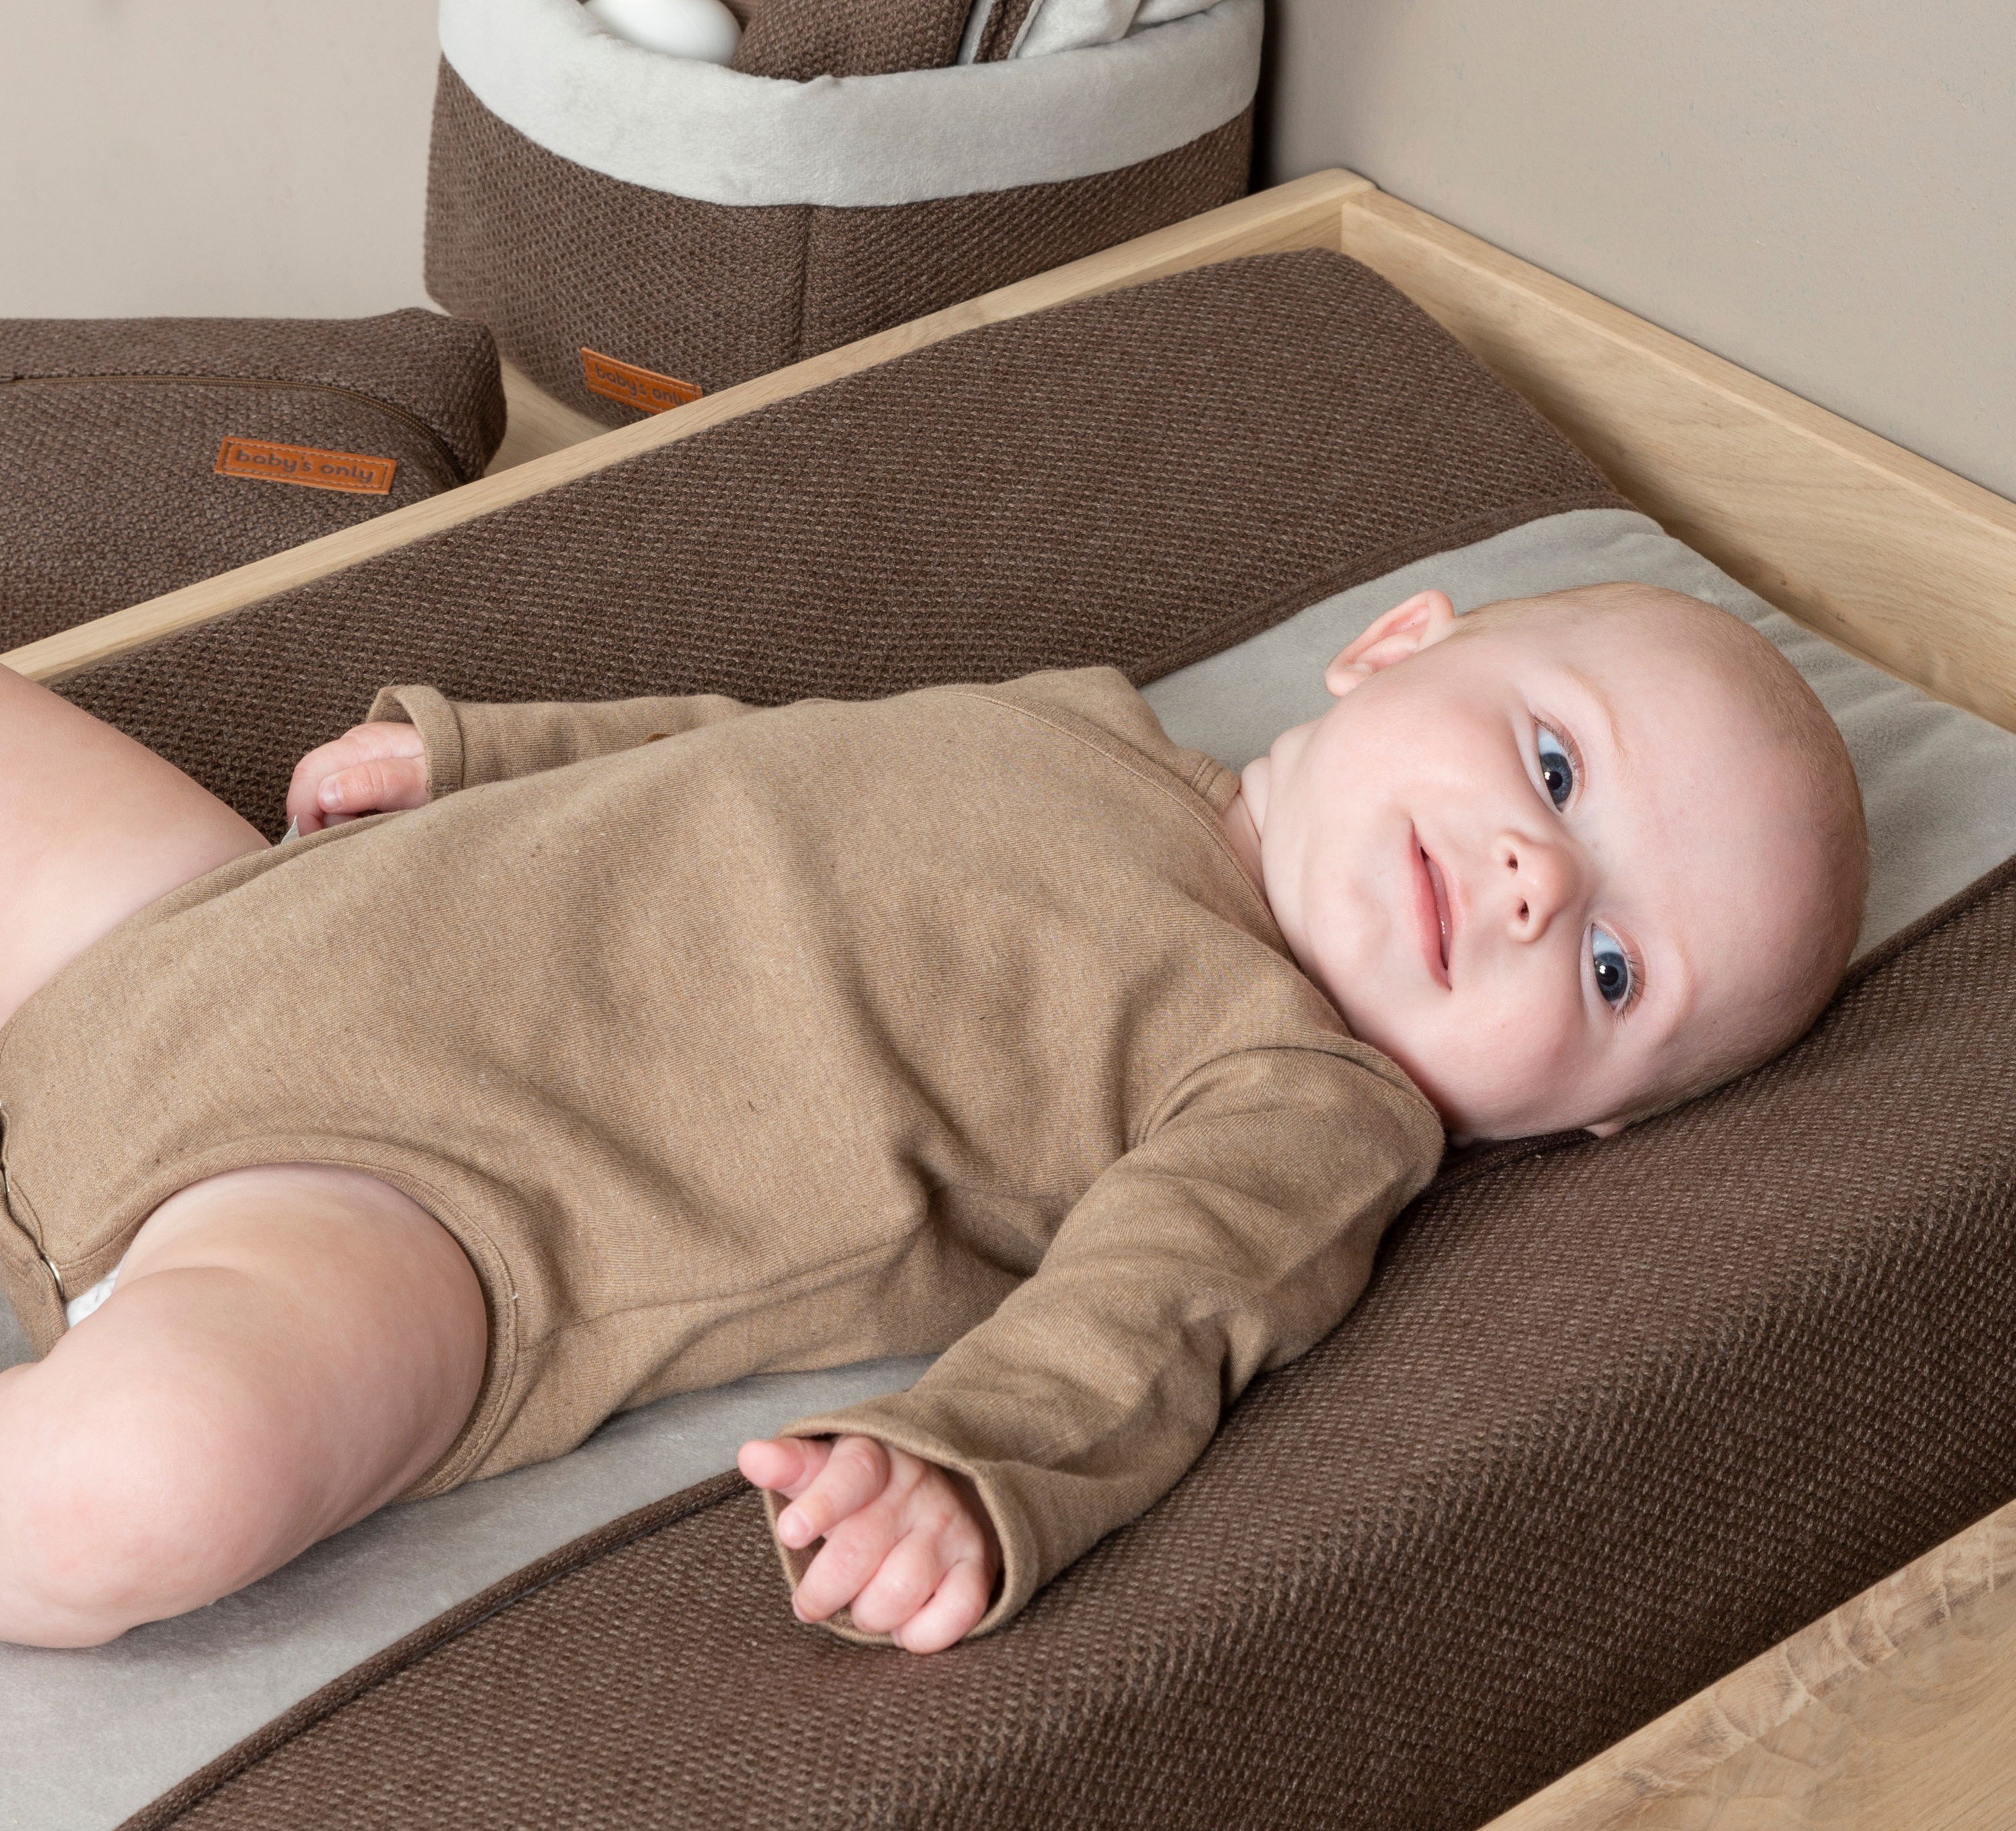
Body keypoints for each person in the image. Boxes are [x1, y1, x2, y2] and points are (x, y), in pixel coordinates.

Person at [0, 582, 1865, 1655]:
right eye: (1552, 765)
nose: (1541, 876)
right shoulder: (1093, 721)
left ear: (1591, 1124)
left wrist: (975, 1468)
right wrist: (494, 748)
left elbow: (1163, 1311)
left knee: (147, 1478)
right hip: (216, 926)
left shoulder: (1309, 1091)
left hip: (399, 1207)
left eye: (1617, 971)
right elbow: (766, 747)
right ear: (1393, 647)